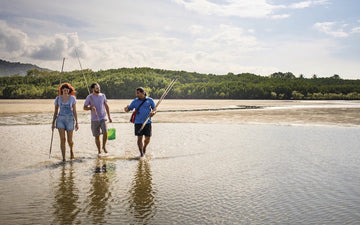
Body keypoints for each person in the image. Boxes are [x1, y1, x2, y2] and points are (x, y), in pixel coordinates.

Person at [124, 87, 156, 157]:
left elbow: (154, 109)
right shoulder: (135, 101)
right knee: (139, 138)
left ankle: (144, 147)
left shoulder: (150, 100)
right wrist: (126, 109)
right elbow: (129, 109)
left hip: (147, 122)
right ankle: (141, 153)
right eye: (136, 93)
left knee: (148, 138)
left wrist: (153, 113)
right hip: (138, 122)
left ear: (143, 93)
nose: (136, 95)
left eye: (138, 93)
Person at [52, 83, 79, 162]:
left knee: (69, 140)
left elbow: (74, 111)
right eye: (64, 90)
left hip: (70, 120)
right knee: (62, 139)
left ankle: (71, 151)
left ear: (69, 90)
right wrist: (53, 123)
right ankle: (63, 158)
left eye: (67, 90)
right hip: (60, 119)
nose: (66, 91)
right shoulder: (58, 99)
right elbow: (55, 112)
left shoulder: (72, 98)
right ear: (61, 90)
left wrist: (77, 122)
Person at [84, 83, 112, 155]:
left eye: (99, 88)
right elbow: (84, 107)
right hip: (94, 119)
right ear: (93, 89)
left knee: (105, 132)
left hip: (103, 117)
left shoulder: (103, 96)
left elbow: (106, 106)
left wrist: (109, 117)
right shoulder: (89, 97)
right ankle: (99, 150)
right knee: (97, 136)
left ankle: (104, 147)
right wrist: (90, 108)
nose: (98, 89)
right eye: (96, 88)